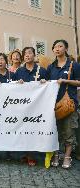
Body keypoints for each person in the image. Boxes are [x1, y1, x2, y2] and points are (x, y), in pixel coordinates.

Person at [47, 40, 80, 169]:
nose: (57, 49)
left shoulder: (74, 65)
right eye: (55, 47)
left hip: (69, 103)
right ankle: (56, 154)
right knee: (55, 131)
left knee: (68, 131)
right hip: (54, 104)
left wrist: (66, 81)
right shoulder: (51, 66)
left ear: (66, 49)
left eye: (60, 46)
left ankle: (67, 156)